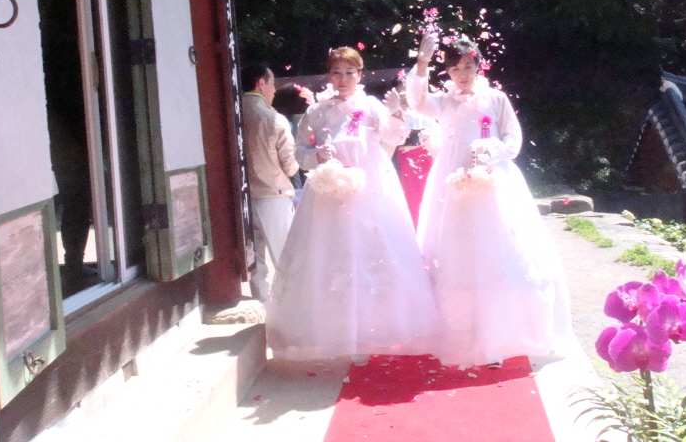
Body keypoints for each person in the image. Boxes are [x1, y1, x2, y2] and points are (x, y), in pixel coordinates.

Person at [406, 32, 571, 368]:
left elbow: (513, 138)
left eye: (468, 67)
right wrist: (422, 63)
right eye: (455, 69)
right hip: (452, 182)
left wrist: (491, 153)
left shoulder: (496, 98)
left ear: (478, 66)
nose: (462, 74)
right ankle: (460, 331)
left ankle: (503, 332)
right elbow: (418, 103)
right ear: (447, 72)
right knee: (457, 253)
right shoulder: (444, 101)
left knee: (496, 250)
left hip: (493, 181)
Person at [266, 47, 438, 362]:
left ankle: (377, 324)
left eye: (350, 73)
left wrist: (395, 113)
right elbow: (299, 152)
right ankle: (334, 326)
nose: (343, 79)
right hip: (329, 194)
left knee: (373, 250)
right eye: (337, 73)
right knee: (331, 252)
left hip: (369, 189)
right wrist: (318, 156)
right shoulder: (317, 111)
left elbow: (396, 136)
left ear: (359, 76)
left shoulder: (370, 106)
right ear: (328, 76)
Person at [242, 63, 299, 303]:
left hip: (244, 198)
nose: (274, 89)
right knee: (287, 256)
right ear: (261, 83)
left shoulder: (233, 112)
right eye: (272, 83)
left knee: (254, 259)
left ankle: (262, 303)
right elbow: (290, 166)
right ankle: (293, 304)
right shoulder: (274, 119)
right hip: (273, 194)